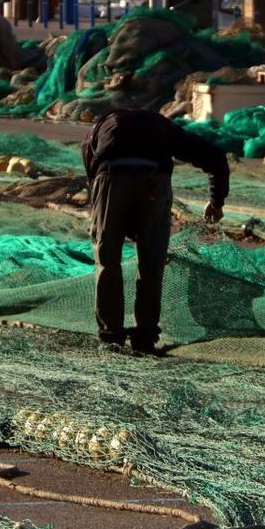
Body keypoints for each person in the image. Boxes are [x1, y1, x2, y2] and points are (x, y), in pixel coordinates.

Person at [82, 109, 229, 355]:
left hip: (110, 179)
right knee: (152, 261)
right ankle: (145, 336)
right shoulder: (163, 127)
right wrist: (216, 201)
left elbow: (93, 171)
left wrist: (106, 210)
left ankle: (110, 338)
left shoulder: (98, 129)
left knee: (107, 260)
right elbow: (214, 156)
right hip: (154, 185)